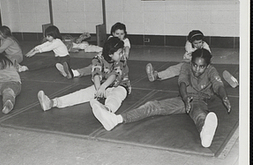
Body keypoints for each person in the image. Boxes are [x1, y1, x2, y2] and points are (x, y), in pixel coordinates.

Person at [91, 48, 232, 148]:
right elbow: (182, 83)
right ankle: (116, 119)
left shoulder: (211, 71)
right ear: (191, 63)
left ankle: (204, 133)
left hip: (200, 100)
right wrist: (185, 99)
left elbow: (218, 85)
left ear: (207, 66)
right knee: (153, 105)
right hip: (184, 98)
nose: (197, 69)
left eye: (201, 67)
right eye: (194, 65)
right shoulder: (186, 67)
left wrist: (224, 97)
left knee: (200, 115)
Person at [37, 37, 131, 116]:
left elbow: (114, 74)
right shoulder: (98, 58)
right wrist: (98, 89)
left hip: (120, 86)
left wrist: (103, 87)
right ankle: (52, 103)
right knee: (81, 94)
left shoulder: (122, 59)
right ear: (110, 54)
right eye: (119, 52)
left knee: (116, 96)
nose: (122, 54)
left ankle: (107, 110)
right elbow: (96, 73)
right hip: (102, 85)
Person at [55, 22, 131, 78]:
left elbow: (127, 47)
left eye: (122, 34)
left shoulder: (125, 41)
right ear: (113, 34)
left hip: (115, 65)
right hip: (107, 61)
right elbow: (106, 51)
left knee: (96, 69)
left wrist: (126, 54)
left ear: (125, 34)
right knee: (92, 67)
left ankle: (73, 73)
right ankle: (73, 73)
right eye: (117, 34)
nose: (120, 36)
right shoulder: (111, 39)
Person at [146, 30, 211, 82]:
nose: (198, 45)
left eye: (200, 42)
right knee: (174, 69)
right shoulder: (189, 45)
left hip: (201, 65)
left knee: (204, 71)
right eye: (195, 43)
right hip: (189, 63)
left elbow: (208, 57)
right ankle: (156, 75)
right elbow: (189, 56)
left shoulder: (205, 45)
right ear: (191, 42)